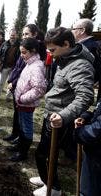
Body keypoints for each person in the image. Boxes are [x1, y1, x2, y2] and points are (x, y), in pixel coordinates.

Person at [31, 27, 94, 196]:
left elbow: (85, 97)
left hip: (60, 117)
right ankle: (46, 177)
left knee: (43, 154)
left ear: (66, 44)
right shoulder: (65, 56)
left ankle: (54, 188)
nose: (50, 53)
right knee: (44, 153)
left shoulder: (80, 65)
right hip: (52, 112)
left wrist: (63, 115)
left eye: (52, 49)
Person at [3, 24, 46, 144]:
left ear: (35, 34)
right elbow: (18, 68)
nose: (23, 36)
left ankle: (21, 141)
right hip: (18, 88)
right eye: (22, 34)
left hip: (24, 93)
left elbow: (28, 75)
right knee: (18, 116)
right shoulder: (26, 50)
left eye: (26, 34)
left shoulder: (34, 54)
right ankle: (16, 136)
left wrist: (15, 84)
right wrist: (11, 80)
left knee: (23, 119)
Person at [8, 38, 46, 162]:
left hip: (26, 104)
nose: (22, 55)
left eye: (24, 52)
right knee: (22, 125)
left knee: (26, 128)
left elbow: (39, 89)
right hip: (21, 103)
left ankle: (23, 153)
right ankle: (19, 146)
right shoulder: (30, 63)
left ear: (33, 51)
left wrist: (23, 98)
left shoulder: (36, 67)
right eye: (21, 52)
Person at [74, 100, 101, 196]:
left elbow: (97, 131)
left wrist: (79, 133)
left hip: (97, 158)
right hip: (93, 154)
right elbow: (98, 112)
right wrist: (86, 117)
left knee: (89, 190)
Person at [72, 18, 101, 102]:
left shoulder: (88, 47)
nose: (72, 31)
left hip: (80, 88)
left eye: (74, 29)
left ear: (82, 30)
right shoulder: (87, 45)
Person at [0, 29, 20, 100]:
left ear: (16, 36)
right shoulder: (4, 44)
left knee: (11, 83)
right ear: (9, 35)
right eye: (11, 35)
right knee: (0, 82)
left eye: (14, 35)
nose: (12, 37)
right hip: (4, 66)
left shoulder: (19, 45)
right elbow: (0, 54)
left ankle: (8, 96)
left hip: (14, 68)